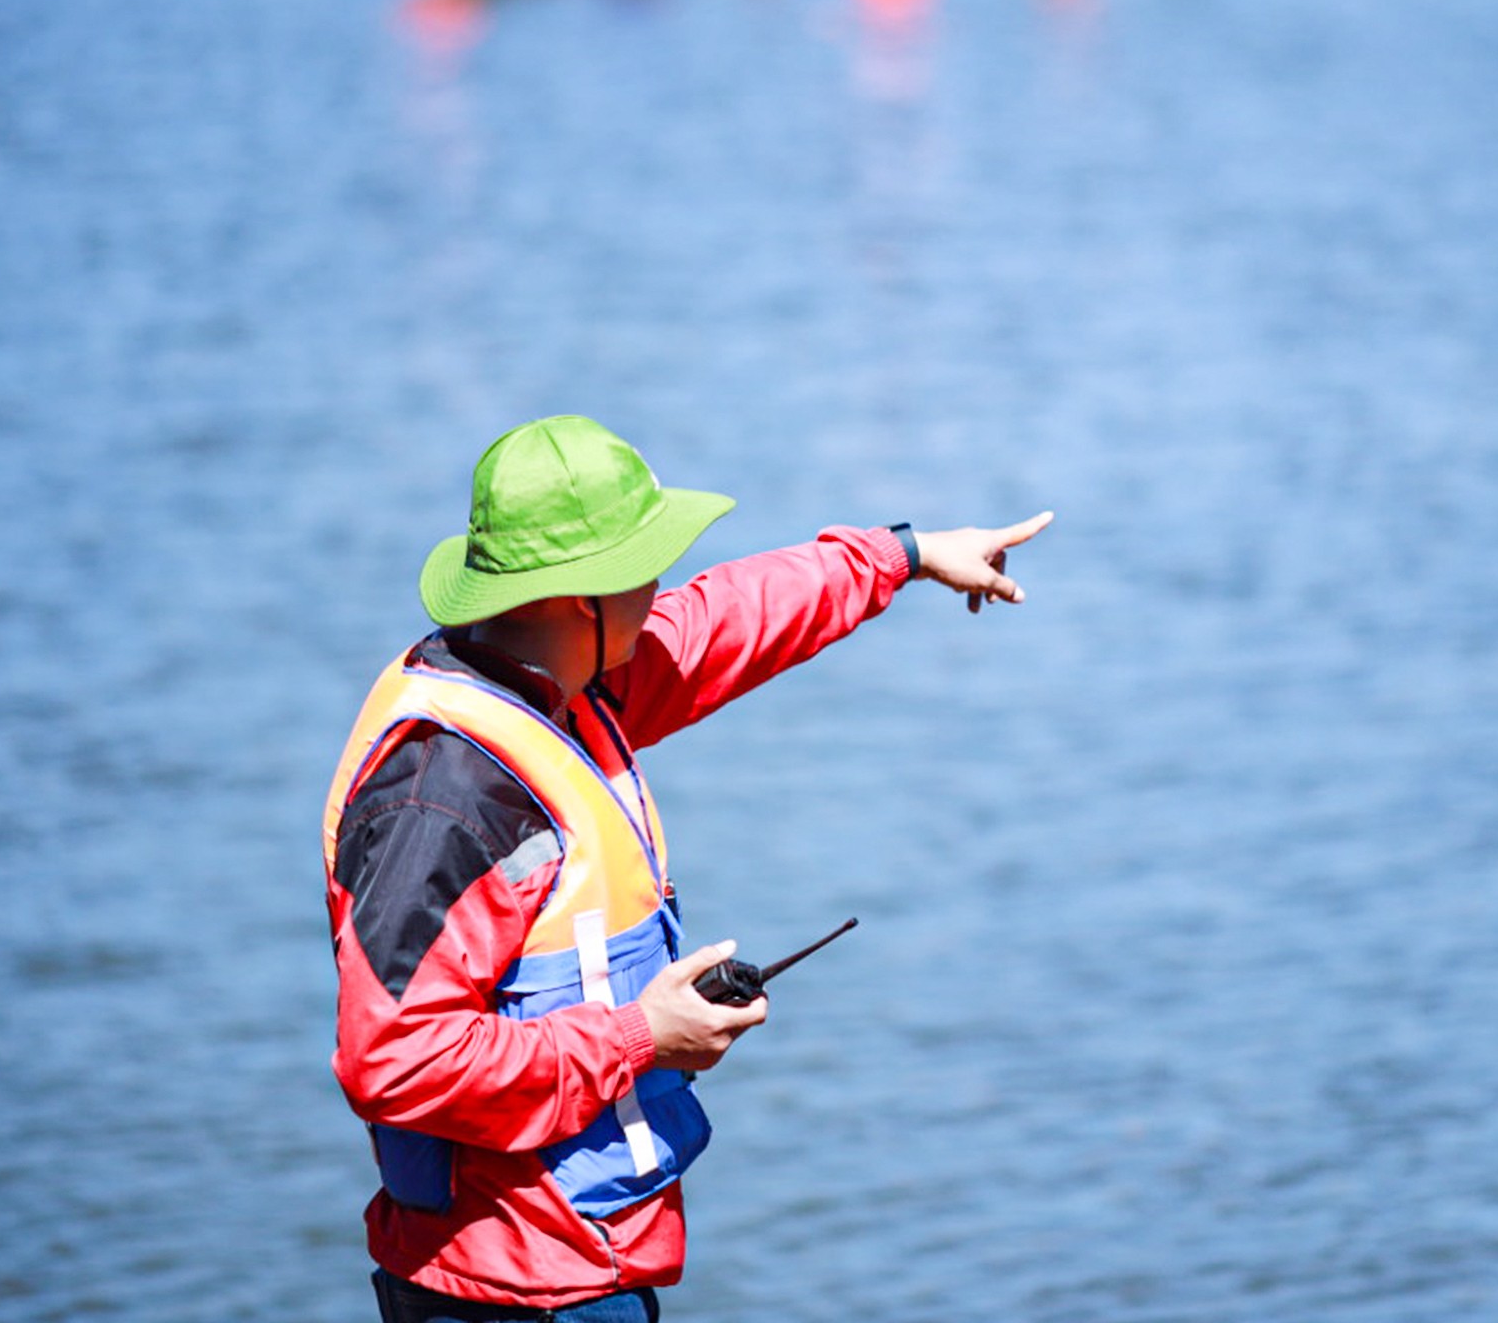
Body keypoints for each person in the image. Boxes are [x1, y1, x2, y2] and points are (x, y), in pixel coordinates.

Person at [323, 415, 1052, 1322]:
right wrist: (641, 1037)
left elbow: (722, 621)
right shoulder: (443, 799)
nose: (661, 586)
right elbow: (392, 1061)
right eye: (642, 567)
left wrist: (904, 556)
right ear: (572, 598)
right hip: (510, 1296)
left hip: (583, 1267)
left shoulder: (560, 678)